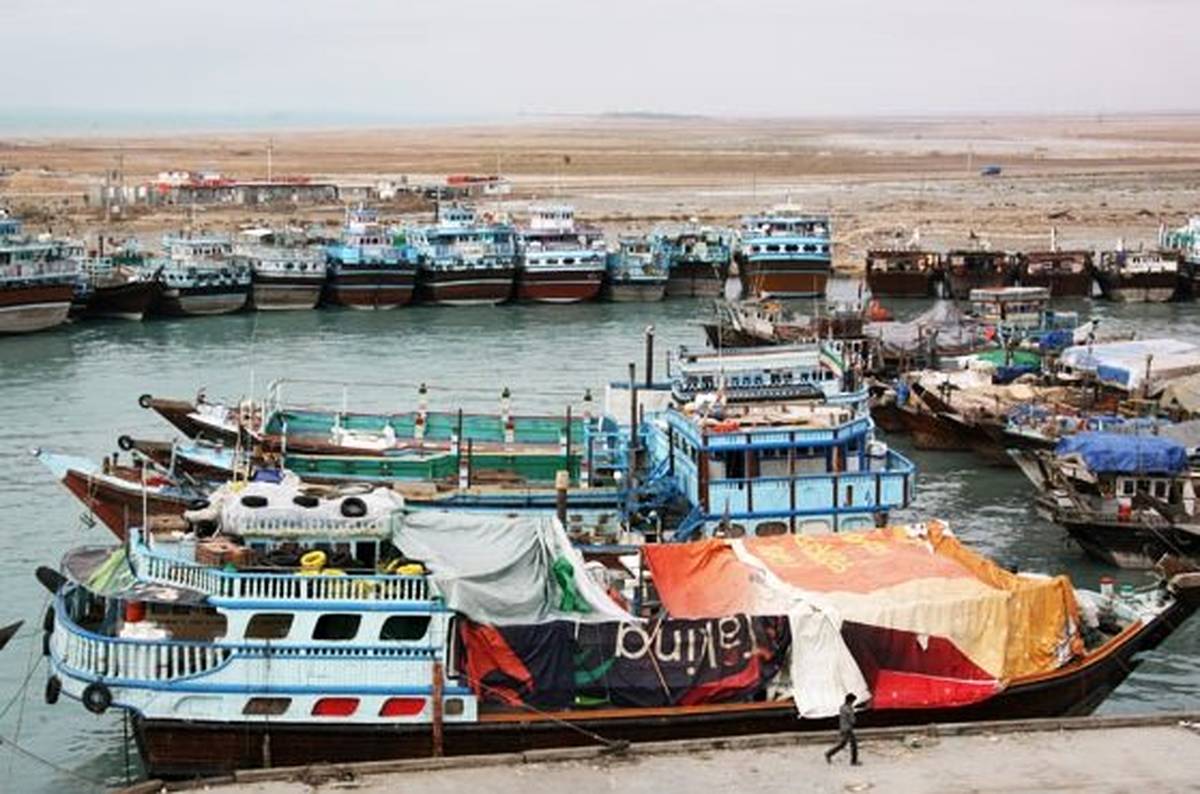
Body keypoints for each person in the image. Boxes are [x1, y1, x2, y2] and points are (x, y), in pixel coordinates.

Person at [825, 693, 860, 766]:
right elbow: (852, 720)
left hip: (843, 728)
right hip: (848, 729)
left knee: (842, 744)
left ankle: (829, 753)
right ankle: (853, 761)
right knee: (853, 745)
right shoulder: (848, 709)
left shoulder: (842, 707)